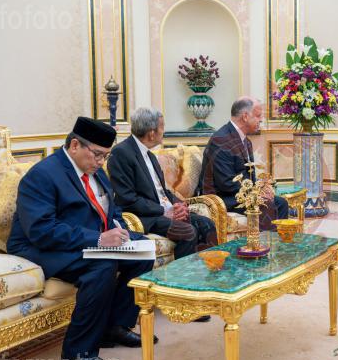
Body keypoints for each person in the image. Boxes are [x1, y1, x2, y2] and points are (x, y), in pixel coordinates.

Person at [7, 117, 157, 360]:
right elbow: (41, 230)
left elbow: (112, 209)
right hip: (40, 246)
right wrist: (98, 240)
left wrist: (119, 230)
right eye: (97, 155)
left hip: (82, 239)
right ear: (75, 145)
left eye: (105, 156)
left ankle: (115, 327)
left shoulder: (96, 172)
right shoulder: (43, 175)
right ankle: (78, 352)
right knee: (102, 265)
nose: (101, 162)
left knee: (143, 249)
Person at [107, 107, 217, 261]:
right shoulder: (121, 153)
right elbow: (127, 198)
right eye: (162, 127)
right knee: (188, 232)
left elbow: (162, 191)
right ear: (152, 133)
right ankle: (180, 276)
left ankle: (209, 269)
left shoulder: (150, 155)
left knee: (207, 224)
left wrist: (179, 205)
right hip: (145, 216)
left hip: (163, 212)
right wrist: (163, 211)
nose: (164, 131)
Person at [199, 96, 289, 229]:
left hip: (240, 194)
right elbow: (226, 182)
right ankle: (262, 241)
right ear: (245, 116)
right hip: (221, 198)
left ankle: (275, 240)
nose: (261, 120)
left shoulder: (246, 141)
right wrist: (256, 193)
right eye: (258, 116)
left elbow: (249, 176)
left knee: (280, 202)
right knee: (267, 204)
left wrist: (262, 188)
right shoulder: (221, 140)